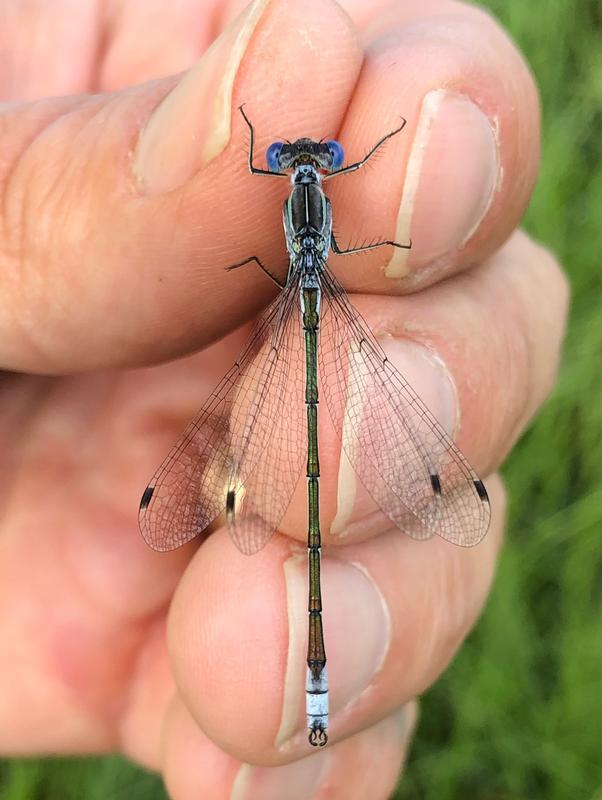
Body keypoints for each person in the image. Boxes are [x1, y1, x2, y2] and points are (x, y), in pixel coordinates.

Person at [0, 0, 568, 797]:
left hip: (305, 297)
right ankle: (316, 670)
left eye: (318, 163)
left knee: (343, 457)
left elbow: (320, 244)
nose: (308, 166)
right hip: (308, 296)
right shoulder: (322, 202)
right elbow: (350, 241)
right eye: (305, 163)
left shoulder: (288, 189)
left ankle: (313, 672)